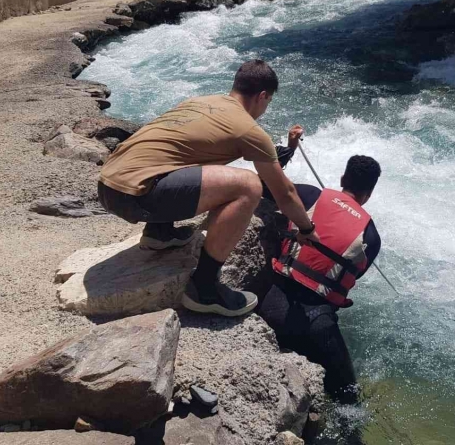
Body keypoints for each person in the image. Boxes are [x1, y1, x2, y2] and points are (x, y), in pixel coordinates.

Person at [96, 59, 318, 317]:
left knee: (185, 157)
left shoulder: (198, 102)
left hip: (107, 185)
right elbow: (285, 193)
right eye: (268, 103)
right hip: (136, 195)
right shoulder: (248, 129)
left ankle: (160, 232)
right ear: (263, 96)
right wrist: (306, 228)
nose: (265, 108)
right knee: (248, 185)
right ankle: (204, 288)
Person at [258, 155, 382, 403]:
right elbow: (349, 278)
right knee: (348, 399)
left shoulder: (307, 195)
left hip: (271, 305)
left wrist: (288, 151)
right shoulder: (371, 236)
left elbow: (262, 184)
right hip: (317, 325)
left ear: (343, 179)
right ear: (369, 194)